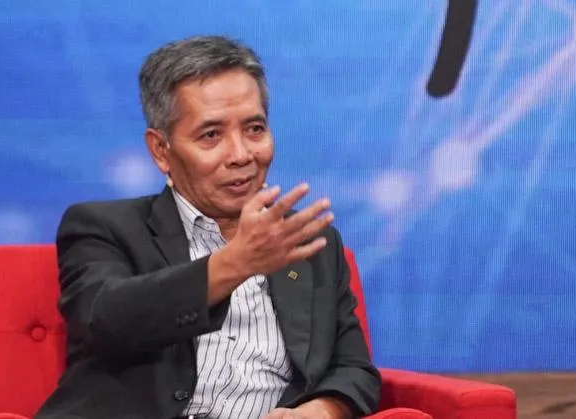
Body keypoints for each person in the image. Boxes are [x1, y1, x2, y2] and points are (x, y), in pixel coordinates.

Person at [35, 36, 381, 419]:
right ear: (161, 151)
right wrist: (237, 262)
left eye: (254, 129)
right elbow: (105, 320)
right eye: (211, 135)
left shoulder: (310, 242)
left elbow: (353, 368)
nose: (241, 155)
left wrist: (318, 411)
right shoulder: (104, 227)